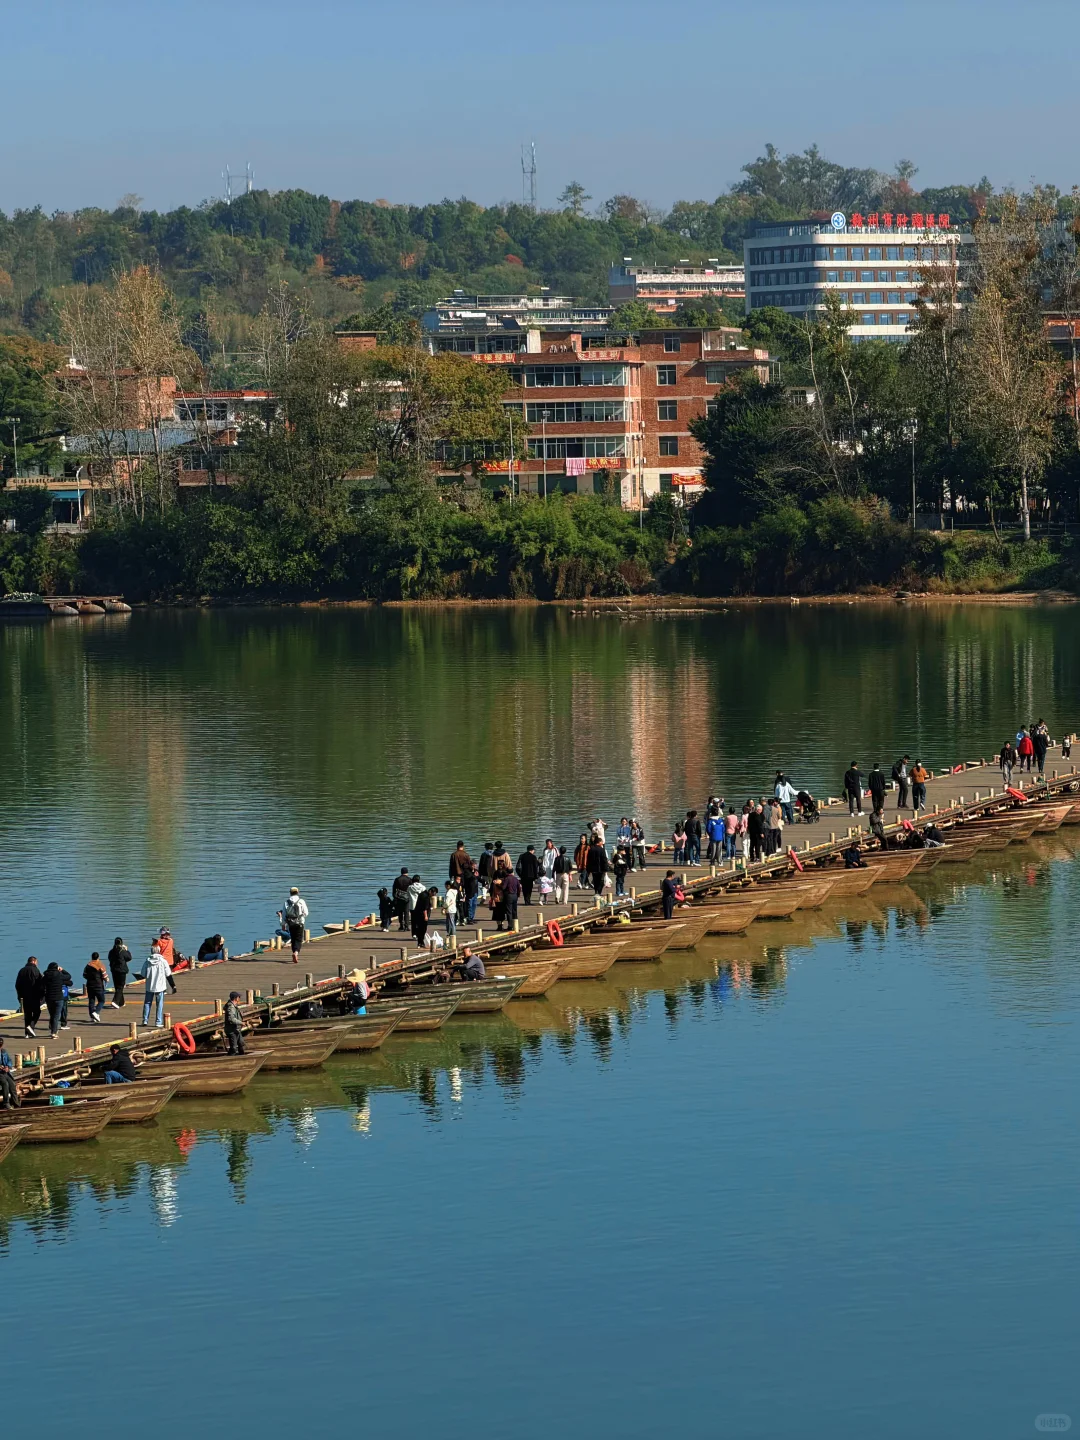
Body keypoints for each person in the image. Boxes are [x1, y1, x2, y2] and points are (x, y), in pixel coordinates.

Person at [140, 941, 171, 1027]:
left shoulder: (147, 961)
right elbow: (168, 973)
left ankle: (145, 1020)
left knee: (147, 1003)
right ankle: (158, 1022)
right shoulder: (163, 961)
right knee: (159, 1004)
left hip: (149, 986)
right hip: (160, 986)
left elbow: (143, 974)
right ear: (159, 951)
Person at [15, 955, 44, 1039]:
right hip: (34, 995)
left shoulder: (21, 971)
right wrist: (41, 994)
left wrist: (19, 995)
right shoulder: (36, 970)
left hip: (24, 996)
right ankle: (31, 1026)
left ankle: (26, 1033)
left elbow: (17, 984)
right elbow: (40, 984)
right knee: (37, 1012)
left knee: (27, 1014)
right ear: (34, 961)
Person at [279, 887, 309, 964]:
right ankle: (296, 953)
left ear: (290, 893)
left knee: (293, 939)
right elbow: (306, 913)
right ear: (298, 892)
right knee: (299, 939)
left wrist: (283, 925)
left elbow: (284, 915)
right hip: (299, 923)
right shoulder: (301, 901)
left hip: (290, 924)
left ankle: (294, 952)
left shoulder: (286, 902)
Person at [43, 961, 73, 1038]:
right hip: (58, 997)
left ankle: (52, 1028)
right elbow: (69, 976)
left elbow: (41, 984)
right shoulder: (59, 975)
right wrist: (62, 970)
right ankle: (54, 1032)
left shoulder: (45, 976)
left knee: (52, 1015)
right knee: (56, 1015)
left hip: (49, 998)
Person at [83, 953, 108, 1024]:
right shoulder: (100, 965)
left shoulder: (88, 965)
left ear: (91, 957)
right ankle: (96, 1012)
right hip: (98, 985)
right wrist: (106, 979)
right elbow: (104, 975)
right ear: (98, 957)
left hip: (90, 985)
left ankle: (92, 1017)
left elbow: (84, 975)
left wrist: (90, 978)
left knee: (91, 1000)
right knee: (101, 1000)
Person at [108, 937, 131, 1009]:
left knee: (117, 986)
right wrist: (127, 950)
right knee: (120, 987)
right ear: (121, 943)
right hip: (121, 971)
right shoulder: (122, 951)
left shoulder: (111, 951)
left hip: (114, 970)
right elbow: (129, 958)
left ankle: (121, 1002)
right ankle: (115, 1001)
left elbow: (109, 958)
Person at [0, 1040, 20, 1109]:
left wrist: (7, 1066)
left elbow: (9, 1060)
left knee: (12, 1085)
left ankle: (16, 1103)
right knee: (5, 1084)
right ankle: (6, 1103)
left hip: (5, 1072)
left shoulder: (4, 1051)